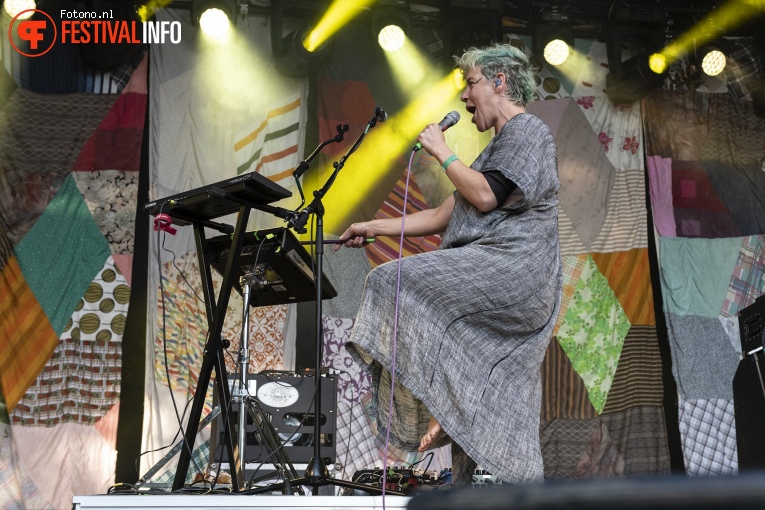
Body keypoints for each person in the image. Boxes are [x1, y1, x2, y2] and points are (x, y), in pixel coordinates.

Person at [335, 42, 561, 485]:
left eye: (470, 83)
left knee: (391, 281)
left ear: (498, 82)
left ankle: (427, 407)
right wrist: (373, 226)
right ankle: (460, 437)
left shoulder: (528, 132)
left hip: (515, 270)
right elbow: (445, 215)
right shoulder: (495, 151)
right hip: (495, 269)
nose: (463, 97)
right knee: (480, 375)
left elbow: (483, 195)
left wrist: (442, 151)